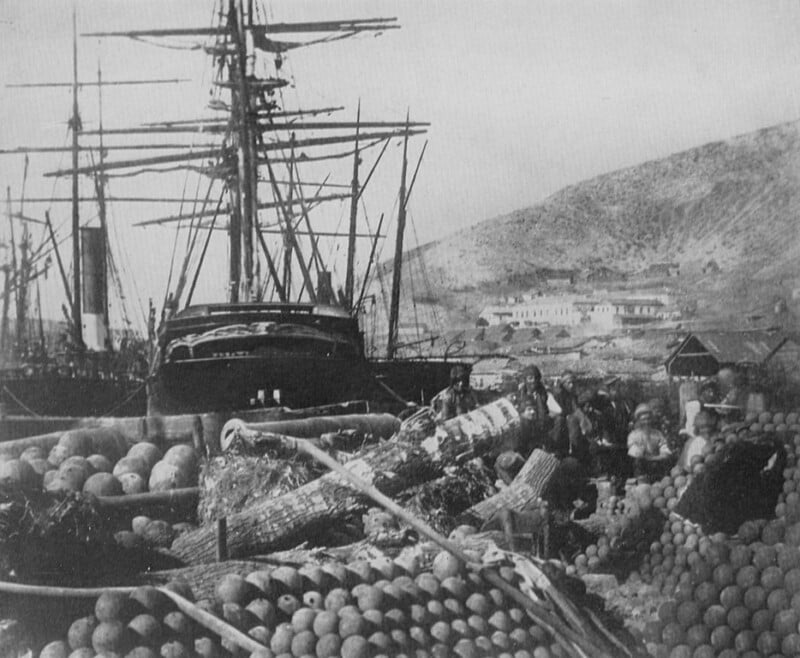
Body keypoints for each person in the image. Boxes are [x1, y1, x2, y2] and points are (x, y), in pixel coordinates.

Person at [627, 403, 672, 480]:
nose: (646, 422)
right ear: (638, 421)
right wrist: (651, 457)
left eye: (648, 419)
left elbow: (665, 451)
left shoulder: (657, 434)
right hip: (642, 471)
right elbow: (637, 455)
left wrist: (657, 457)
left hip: (657, 468)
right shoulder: (633, 435)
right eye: (643, 419)